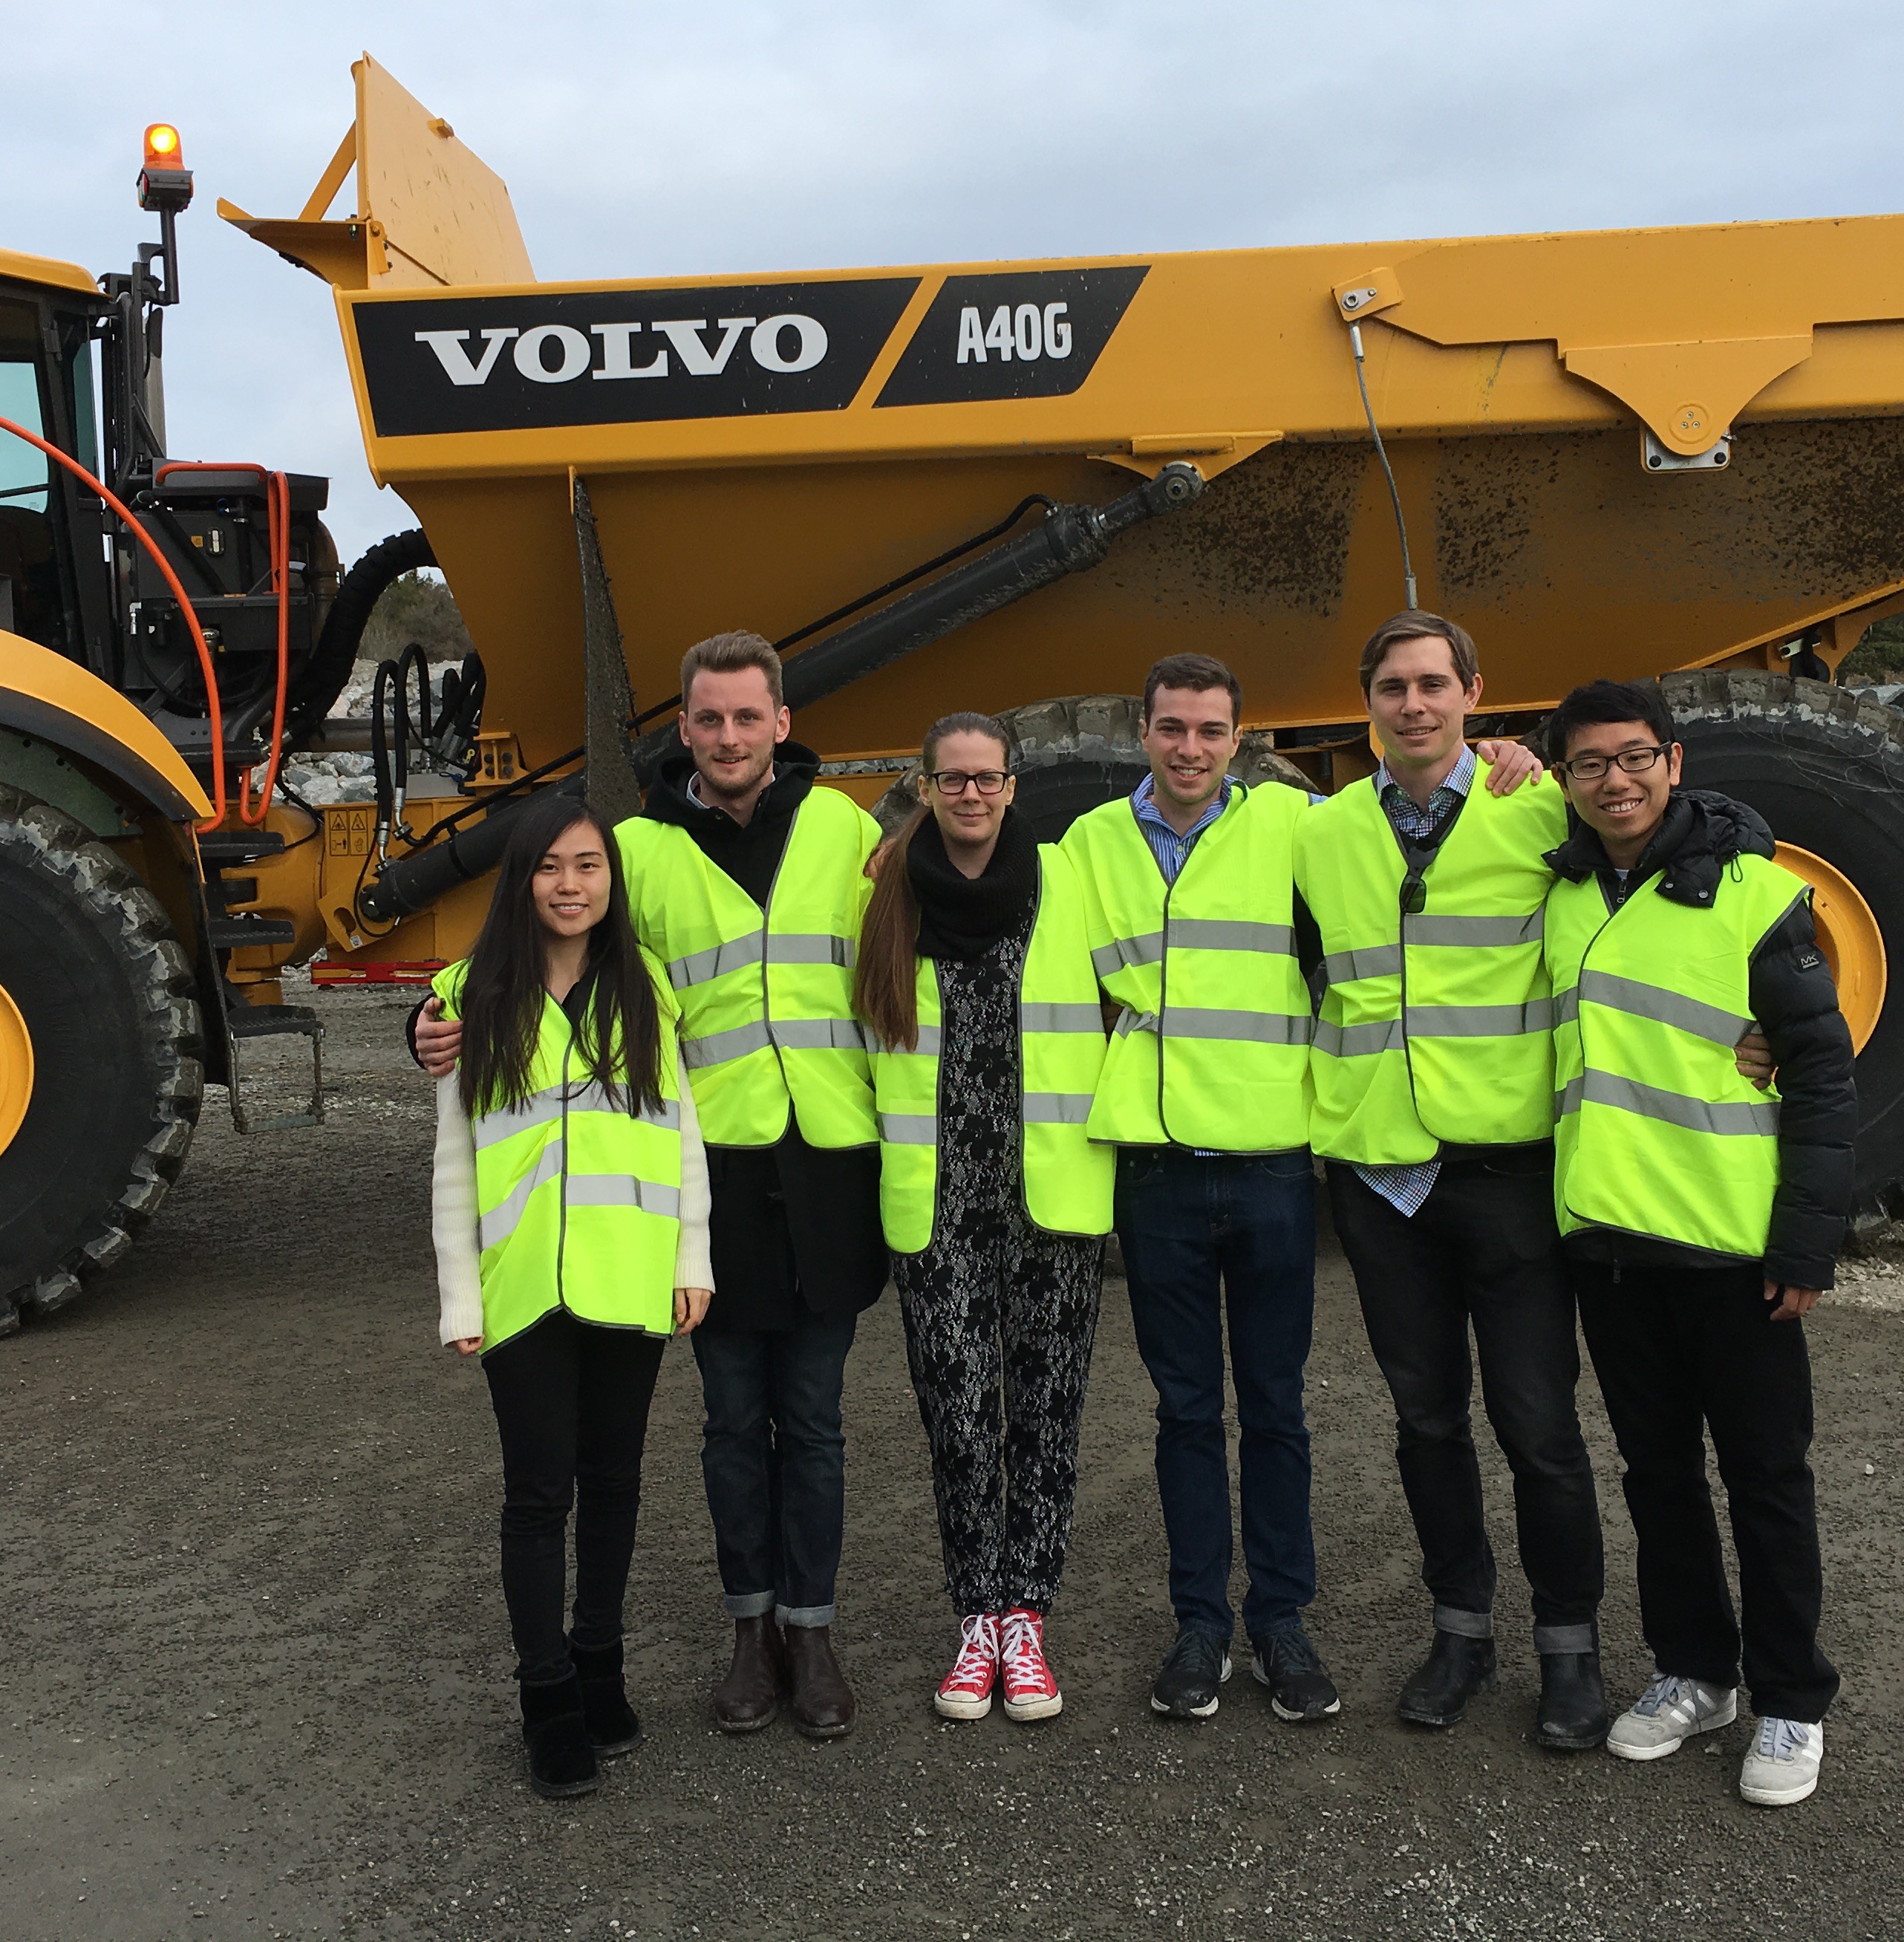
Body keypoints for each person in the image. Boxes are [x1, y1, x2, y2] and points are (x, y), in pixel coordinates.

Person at [415, 631, 884, 1741]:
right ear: (684, 729)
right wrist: (425, 1017)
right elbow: (535, 948)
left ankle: (810, 1634)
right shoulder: (630, 850)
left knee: (813, 1423)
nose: (728, 737)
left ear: (781, 722)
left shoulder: (849, 832)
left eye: (747, 716)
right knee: (731, 1423)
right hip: (710, 1175)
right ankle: (748, 1632)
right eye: (707, 718)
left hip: (827, 1165)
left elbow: (907, 961)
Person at [1296, 610, 1633, 1750]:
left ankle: (1570, 1651)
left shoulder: (1538, 809)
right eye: (1392, 688)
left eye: (1434, 685)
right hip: (1380, 1179)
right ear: (1367, 705)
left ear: (1475, 696)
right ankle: (1460, 1634)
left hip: (1506, 1173)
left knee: (1538, 1424)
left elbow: (1677, 836)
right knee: (1425, 1419)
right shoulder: (1321, 830)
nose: (1414, 705)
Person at [1540, 678, 1856, 1808]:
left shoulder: (1759, 899)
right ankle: (1694, 1671)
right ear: (1567, 781)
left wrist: (1807, 1244)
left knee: (1767, 1479)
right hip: (1613, 1249)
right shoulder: (1563, 894)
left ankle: (1789, 1700)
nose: (1615, 782)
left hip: (1733, 1250)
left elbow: (1820, 1076)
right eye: (1589, 765)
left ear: (1674, 762)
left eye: (1634, 758)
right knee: (1658, 1476)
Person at [1058, 654, 1336, 1724]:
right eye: (1171, 729)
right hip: (1158, 1168)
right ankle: (1200, 1627)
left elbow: (1418, 836)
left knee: (1275, 1408)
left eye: (1210, 732)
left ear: (1240, 738)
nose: (1189, 750)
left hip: (1270, 1158)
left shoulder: (1293, 825)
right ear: (1142, 731)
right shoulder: (1090, 842)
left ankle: (1281, 1621)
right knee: (1185, 1410)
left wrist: (1505, 757)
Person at [425, 793, 714, 1802]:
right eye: (550, 867)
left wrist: (694, 1260)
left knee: (617, 1481)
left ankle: (601, 1666)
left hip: (629, 1277)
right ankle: (547, 1698)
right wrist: (461, 1295)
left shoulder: (647, 993)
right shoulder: (469, 998)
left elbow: (680, 1138)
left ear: (610, 880)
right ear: (521, 880)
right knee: (538, 1495)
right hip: (521, 1291)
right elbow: (454, 1157)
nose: (570, 885)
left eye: (588, 866)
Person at [856, 711, 1112, 1724]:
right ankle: (975, 1618)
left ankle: (1029, 1619)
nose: (970, 794)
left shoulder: (1071, 881)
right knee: (958, 1417)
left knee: (1047, 1418)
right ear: (925, 788)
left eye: (987, 778)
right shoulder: (882, 894)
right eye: (949, 779)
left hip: (1050, 1196)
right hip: (938, 1203)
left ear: (1013, 786)